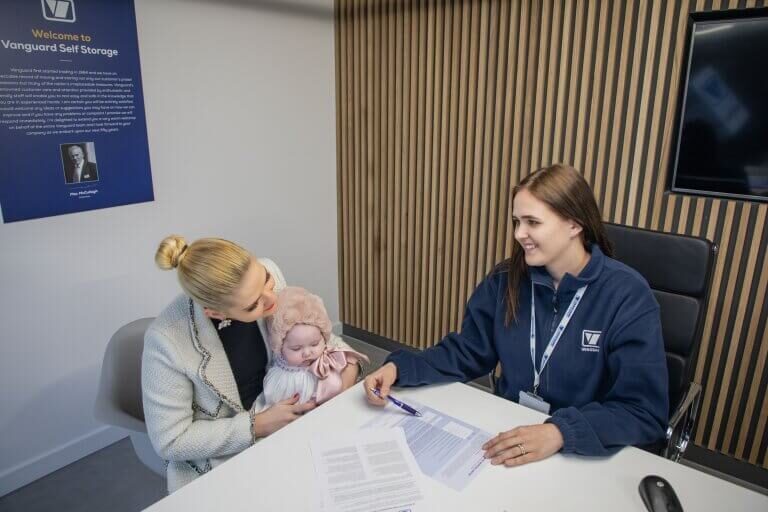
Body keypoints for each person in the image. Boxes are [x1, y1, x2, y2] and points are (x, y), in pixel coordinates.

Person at [364, 164, 669, 467]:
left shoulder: (627, 295)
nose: (519, 234)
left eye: (532, 222)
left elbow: (642, 411)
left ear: (574, 225)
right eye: (516, 221)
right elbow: (467, 351)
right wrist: (400, 368)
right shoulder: (505, 279)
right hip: (510, 436)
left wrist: (560, 432)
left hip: (584, 452)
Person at [142, 236, 361, 493]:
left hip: (295, 418)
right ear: (216, 313)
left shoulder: (267, 276)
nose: (271, 300)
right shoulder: (167, 340)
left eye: (266, 280)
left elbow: (311, 335)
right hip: (230, 449)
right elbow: (171, 441)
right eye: (254, 305)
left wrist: (347, 371)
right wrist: (258, 424)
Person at [263, 286, 369, 405]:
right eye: (296, 348)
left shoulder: (330, 358)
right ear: (279, 348)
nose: (307, 353)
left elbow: (350, 360)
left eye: (314, 344)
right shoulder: (282, 378)